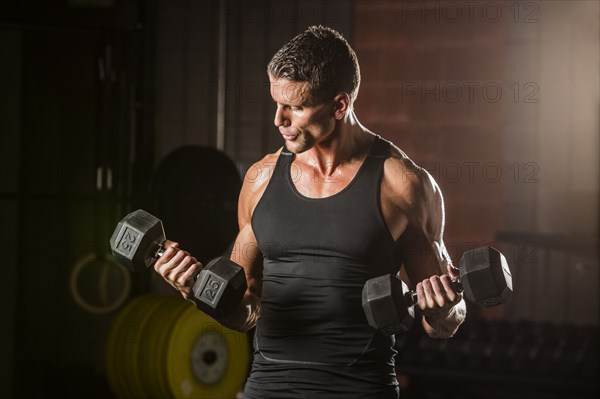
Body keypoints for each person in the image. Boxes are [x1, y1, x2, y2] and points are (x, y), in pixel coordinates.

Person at [154, 25, 466, 399]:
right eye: (276, 103)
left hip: (361, 390)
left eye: (295, 107)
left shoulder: (403, 185)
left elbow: (445, 323)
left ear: (339, 105)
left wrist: (442, 307)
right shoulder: (260, 180)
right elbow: (246, 310)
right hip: (268, 389)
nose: (278, 120)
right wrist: (196, 291)